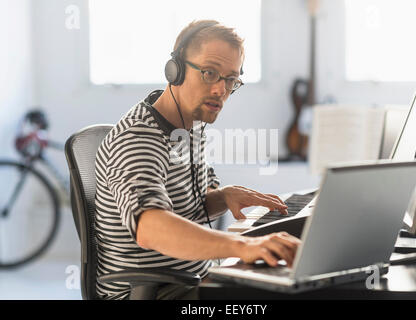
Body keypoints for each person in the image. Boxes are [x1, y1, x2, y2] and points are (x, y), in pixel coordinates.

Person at [95, 19, 301, 300]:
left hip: (192, 281)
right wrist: (240, 246)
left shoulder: (188, 128)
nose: (221, 90)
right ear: (175, 71)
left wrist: (224, 196)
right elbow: (150, 228)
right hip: (153, 293)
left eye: (231, 79)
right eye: (209, 73)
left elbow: (189, 207)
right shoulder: (138, 137)